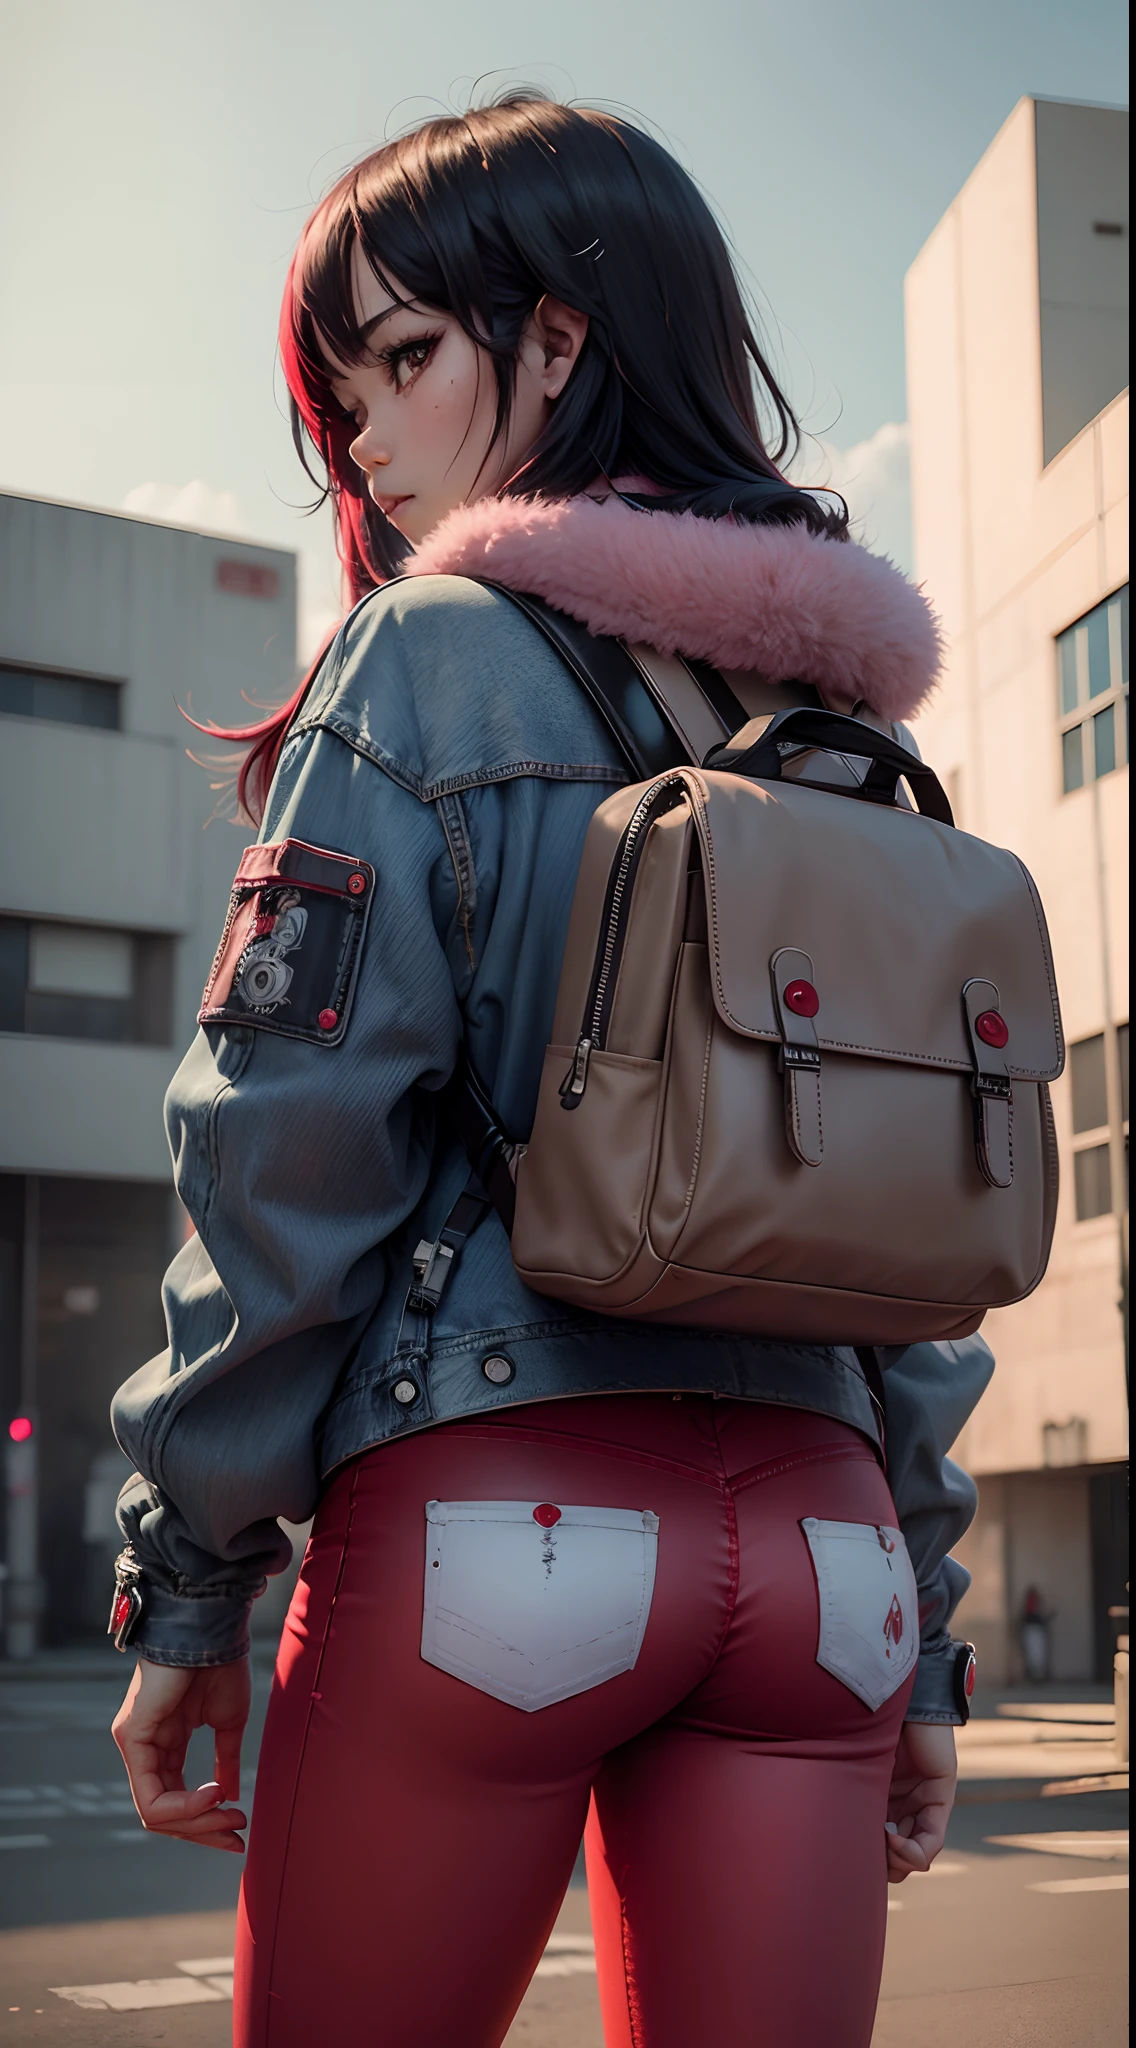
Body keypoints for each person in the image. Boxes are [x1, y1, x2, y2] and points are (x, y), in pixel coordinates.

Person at [109, 95, 992, 2048]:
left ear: (562, 344)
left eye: (404, 353)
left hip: (498, 1511)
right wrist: (916, 1647)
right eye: (335, 387)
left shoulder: (426, 657)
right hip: (829, 1545)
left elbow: (280, 1162)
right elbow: (914, 1271)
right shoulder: (852, 739)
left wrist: (187, 1584)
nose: (359, 429)